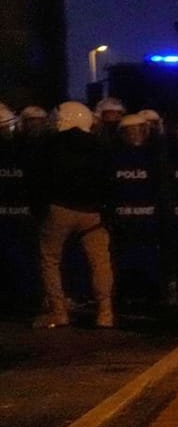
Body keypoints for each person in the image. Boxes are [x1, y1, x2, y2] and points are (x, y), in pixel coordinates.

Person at [30, 102, 116, 328]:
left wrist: (39, 210)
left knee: (50, 259)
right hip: (93, 212)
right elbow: (109, 180)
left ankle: (59, 312)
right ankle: (105, 312)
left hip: (60, 209)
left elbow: (39, 180)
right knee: (100, 262)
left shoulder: (50, 145)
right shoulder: (99, 145)